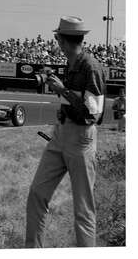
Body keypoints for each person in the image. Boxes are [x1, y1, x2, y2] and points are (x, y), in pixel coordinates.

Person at [25, 16, 105, 247]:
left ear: (62, 40)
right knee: (37, 194)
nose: (56, 41)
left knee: (83, 208)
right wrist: (61, 88)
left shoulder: (90, 66)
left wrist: (63, 90)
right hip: (61, 134)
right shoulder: (73, 63)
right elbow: (76, 100)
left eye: (56, 37)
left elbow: (93, 114)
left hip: (81, 139)